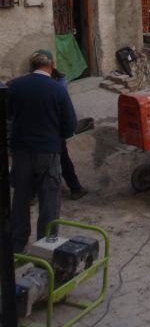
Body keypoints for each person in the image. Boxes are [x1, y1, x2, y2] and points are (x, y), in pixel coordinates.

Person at [8, 49, 77, 252]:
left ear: (31, 66)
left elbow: (9, 116)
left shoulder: (16, 86)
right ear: (51, 65)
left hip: (21, 152)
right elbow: (70, 125)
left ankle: (17, 244)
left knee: (20, 197)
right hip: (48, 152)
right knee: (49, 200)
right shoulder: (57, 90)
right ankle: (46, 245)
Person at [51, 68, 88, 200]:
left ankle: (31, 195)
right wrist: (66, 133)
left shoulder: (22, 86)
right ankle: (75, 188)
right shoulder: (58, 90)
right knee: (63, 161)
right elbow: (68, 118)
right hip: (53, 136)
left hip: (29, 139)